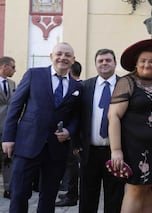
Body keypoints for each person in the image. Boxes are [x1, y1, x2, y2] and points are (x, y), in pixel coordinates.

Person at [1, 42, 82, 212]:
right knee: (19, 193)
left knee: (49, 195)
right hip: (27, 144)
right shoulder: (34, 74)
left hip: (56, 149)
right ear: (51, 57)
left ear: (73, 60)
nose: (63, 58)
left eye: (68, 55)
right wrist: (8, 137)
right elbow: (15, 106)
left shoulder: (77, 87)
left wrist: (69, 131)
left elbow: (76, 116)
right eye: (59, 53)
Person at [108, 39, 152, 213]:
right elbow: (113, 116)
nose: (147, 64)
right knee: (135, 189)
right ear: (136, 63)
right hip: (134, 148)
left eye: (151, 61)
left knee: (148, 187)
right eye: (143, 61)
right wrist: (116, 150)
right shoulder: (127, 82)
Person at [78, 49, 125, 213]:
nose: (104, 63)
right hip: (89, 152)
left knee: (115, 197)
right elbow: (77, 116)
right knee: (87, 197)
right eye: (100, 61)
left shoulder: (125, 85)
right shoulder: (85, 86)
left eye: (108, 60)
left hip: (116, 154)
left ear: (114, 63)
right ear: (95, 64)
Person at [56, 61, 82, 207]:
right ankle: (70, 192)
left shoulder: (80, 87)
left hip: (75, 134)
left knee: (72, 165)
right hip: (67, 133)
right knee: (70, 164)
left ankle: (72, 195)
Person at [0, 56, 16, 199]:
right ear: (4, 67)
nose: (14, 70)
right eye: (13, 67)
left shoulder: (12, 84)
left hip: (8, 129)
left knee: (8, 159)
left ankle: (8, 188)